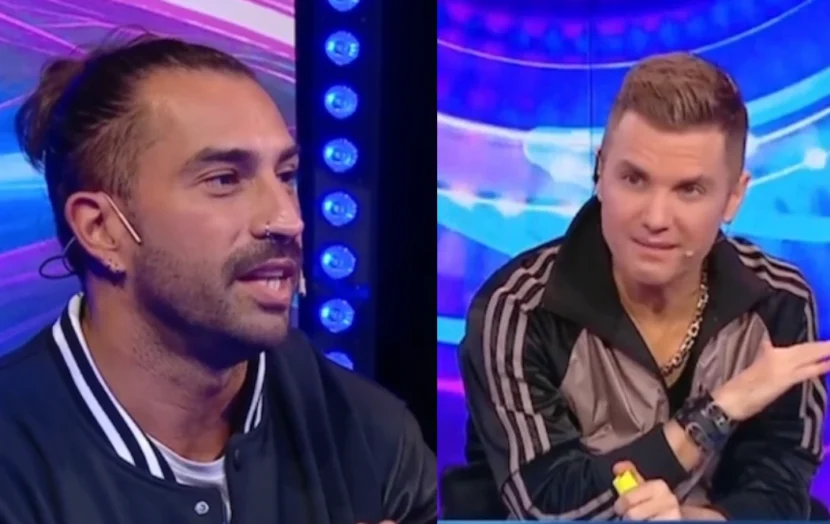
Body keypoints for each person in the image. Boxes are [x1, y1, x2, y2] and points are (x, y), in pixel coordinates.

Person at [0, 33, 436, 524]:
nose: (287, 220)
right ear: (102, 229)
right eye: (224, 179)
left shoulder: (373, 441)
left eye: (286, 175)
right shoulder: (14, 460)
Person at [458, 52, 828, 521]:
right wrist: (718, 411)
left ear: (734, 196)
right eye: (634, 179)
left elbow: (778, 491)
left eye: (689, 190)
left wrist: (686, 520)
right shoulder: (518, 309)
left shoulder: (780, 301)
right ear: (600, 172)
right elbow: (546, 505)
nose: (655, 218)